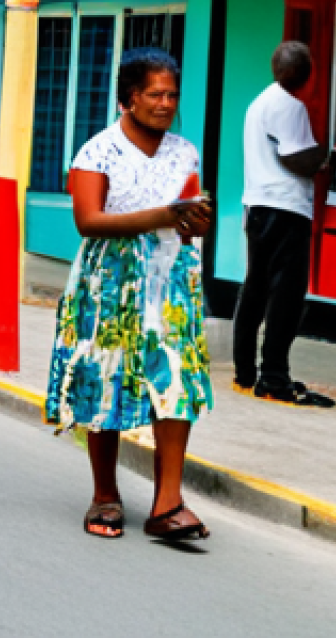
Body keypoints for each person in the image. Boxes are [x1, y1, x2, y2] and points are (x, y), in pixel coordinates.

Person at [45, 48, 214, 542]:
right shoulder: (96, 151)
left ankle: (168, 504)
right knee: (104, 377)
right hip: (109, 281)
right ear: (129, 98)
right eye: (155, 94)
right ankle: (105, 495)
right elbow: (87, 221)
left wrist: (195, 219)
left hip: (171, 278)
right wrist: (163, 216)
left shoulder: (184, 151)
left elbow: (189, 217)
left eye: (172, 95)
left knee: (178, 378)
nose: (165, 103)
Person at [234, 40, 336, 408]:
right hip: (286, 208)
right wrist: (324, 158)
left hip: (257, 204)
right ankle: (274, 377)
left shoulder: (259, 102)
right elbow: (296, 159)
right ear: (307, 75)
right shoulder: (290, 107)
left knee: (255, 289)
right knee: (286, 296)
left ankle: (245, 373)